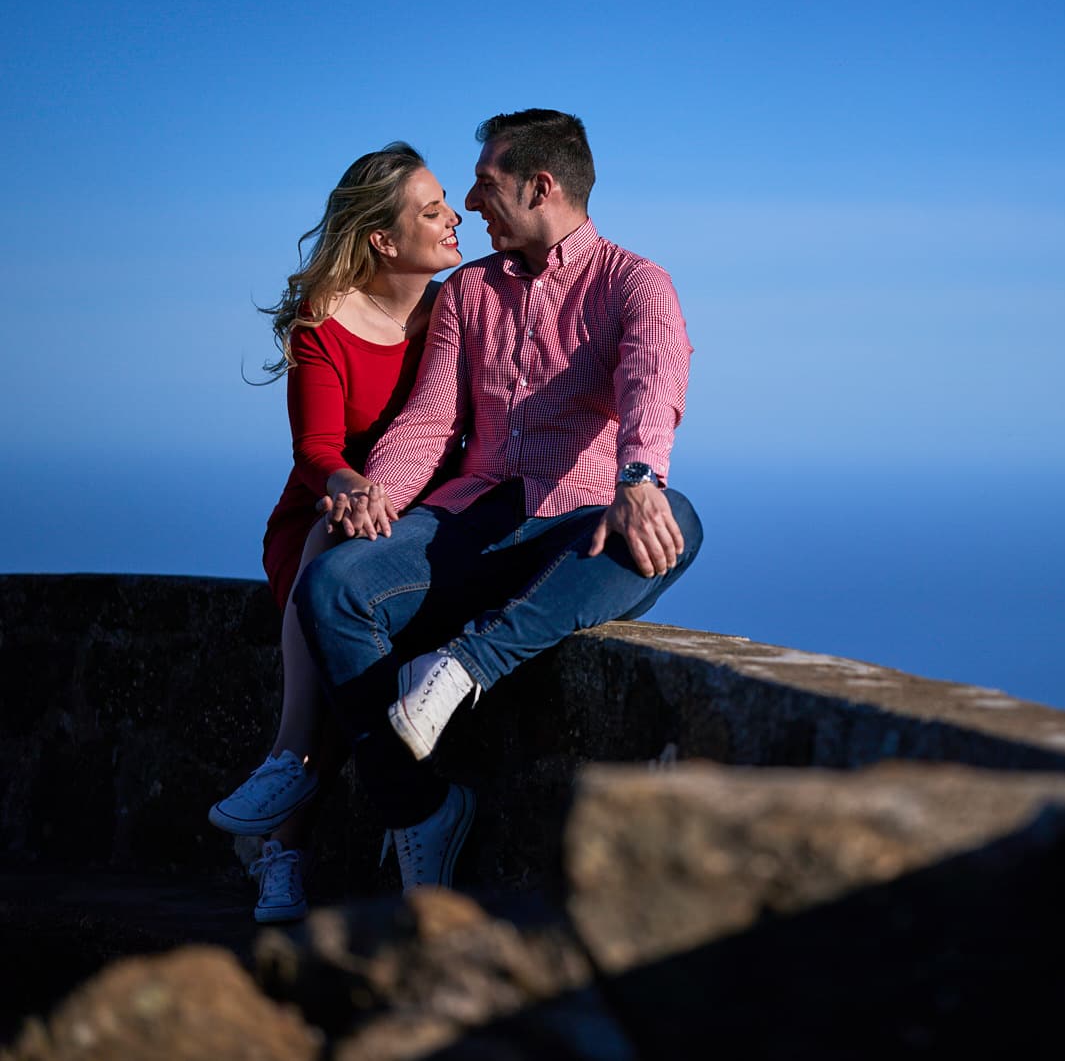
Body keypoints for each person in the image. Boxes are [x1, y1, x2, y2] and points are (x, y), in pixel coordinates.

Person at [295, 108, 703, 893]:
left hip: (572, 526)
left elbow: (653, 379)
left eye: (486, 186)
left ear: (541, 187)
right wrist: (375, 496)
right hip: (466, 522)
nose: (470, 206)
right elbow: (429, 421)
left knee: (678, 519)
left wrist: (641, 477)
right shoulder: (466, 293)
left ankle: (461, 666)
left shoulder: (635, 284)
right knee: (335, 583)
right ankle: (418, 811)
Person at [208, 143, 463, 923]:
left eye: (448, 201)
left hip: (419, 521)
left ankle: (288, 778)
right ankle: (285, 844)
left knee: (348, 617)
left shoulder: (462, 307)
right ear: (384, 239)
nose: (454, 219)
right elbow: (317, 452)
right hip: (326, 514)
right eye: (431, 210)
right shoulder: (324, 321)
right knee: (330, 595)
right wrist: (351, 488)